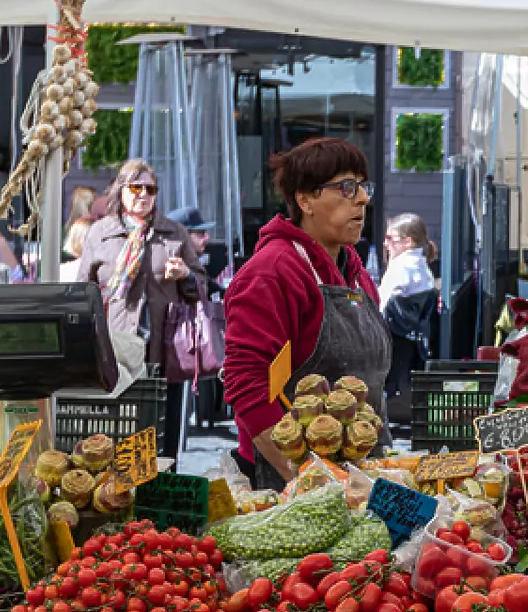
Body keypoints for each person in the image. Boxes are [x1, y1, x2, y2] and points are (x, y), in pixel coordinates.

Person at [222, 138, 392, 489]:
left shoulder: (355, 272)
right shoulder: (272, 271)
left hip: (363, 472)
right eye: (346, 187)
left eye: (363, 187)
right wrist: (306, 480)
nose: (362, 198)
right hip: (290, 483)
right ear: (304, 200)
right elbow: (246, 383)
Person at [79, 159, 206, 463]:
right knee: (118, 431)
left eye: (151, 189)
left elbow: (201, 284)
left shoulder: (173, 233)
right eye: (136, 187)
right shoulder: (101, 233)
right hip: (118, 347)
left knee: (164, 435)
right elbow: (84, 291)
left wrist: (185, 275)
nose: (143, 195)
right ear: (121, 190)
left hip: (165, 349)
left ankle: (159, 496)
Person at [380, 213, 441, 405]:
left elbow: (383, 303)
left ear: (408, 242)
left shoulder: (403, 268)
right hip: (409, 346)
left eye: (390, 238)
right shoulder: (420, 266)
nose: (385, 243)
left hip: (392, 345)